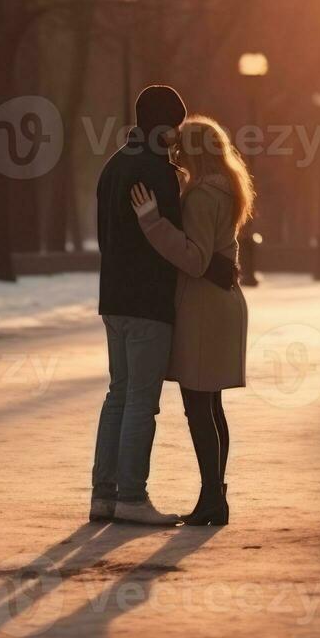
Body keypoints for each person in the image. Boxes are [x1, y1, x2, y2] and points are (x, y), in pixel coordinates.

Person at [130, 116, 253, 526]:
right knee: (211, 405)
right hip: (222, 304)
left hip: (203, 308)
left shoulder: (202, 196)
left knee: (198, 407)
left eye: (180, 149)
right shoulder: (229, 189)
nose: (175, 156)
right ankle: (215, 495)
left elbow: (194, 257)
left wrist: (152, 221)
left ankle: (212, 500)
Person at [90, 85, 188, 526]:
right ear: (164, 125)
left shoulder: (113, 166)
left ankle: (104, 494)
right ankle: (132, 495)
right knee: (141, 402)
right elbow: (170, 241)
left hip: (113, 297)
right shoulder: (158, 171)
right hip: (149, 300)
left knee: (118, 395)